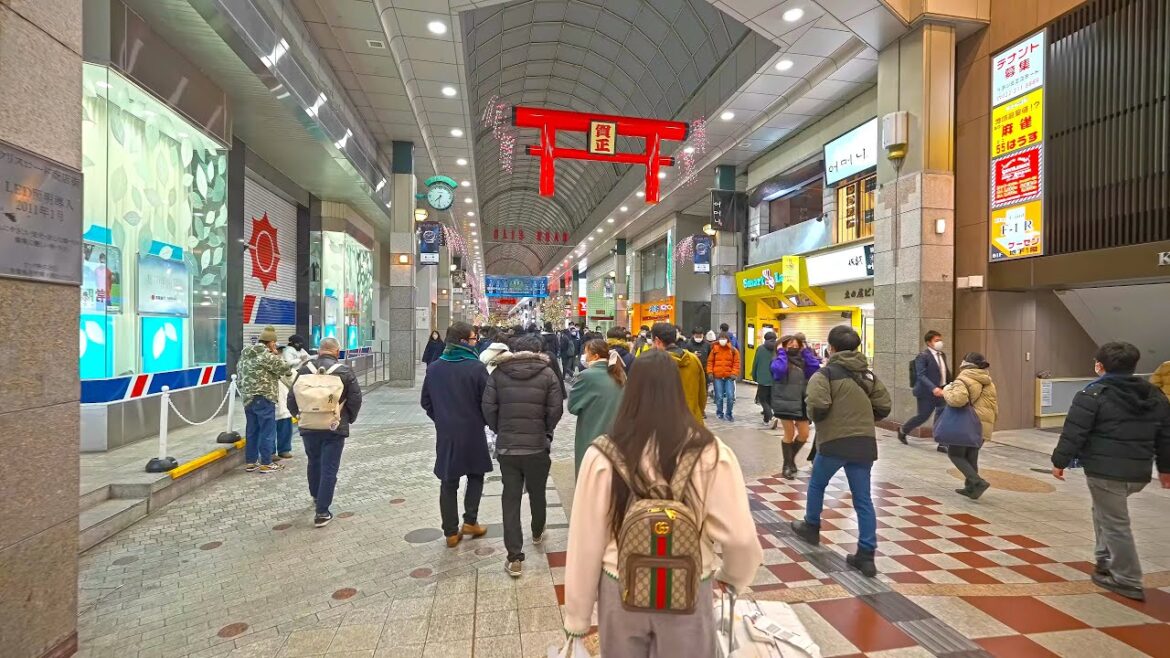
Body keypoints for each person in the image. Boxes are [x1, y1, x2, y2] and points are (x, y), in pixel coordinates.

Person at [563, 350, 762, 657]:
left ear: (629, 390)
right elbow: (740, 536)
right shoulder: (711, 452)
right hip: (691, 585)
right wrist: (734, 578)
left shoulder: (602, 454)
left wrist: (577, 617)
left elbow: (585, 540)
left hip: (621, 586)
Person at [1051, 341, 1170, 601]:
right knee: (1104, 512)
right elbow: (1165, 435)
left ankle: (1127, 579)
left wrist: (1060, 461)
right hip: (1138, 472)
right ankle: (1104, 559)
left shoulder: (1093, 394)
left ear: (1100, 365)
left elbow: (1075, 431)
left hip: (1105, 472)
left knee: (1116, 524)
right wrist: (1165, 469)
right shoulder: (1154, 394)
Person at [790, 326, 892, 578]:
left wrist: (823, 419)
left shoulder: (824, 375)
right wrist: (864, 418)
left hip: (834, 441)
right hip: (864, 443)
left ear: (831, 347)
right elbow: (884, 406)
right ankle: (866, 555)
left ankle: (811, 526)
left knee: (817, 484)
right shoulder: (868, 375)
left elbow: (817, 404)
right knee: (863, 499)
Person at [482, 334, 564, 577]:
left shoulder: (498, 373)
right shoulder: (547, 373)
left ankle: (514, 557)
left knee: (510, 498)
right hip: (537, 446)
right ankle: (537, 531)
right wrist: (545, 431)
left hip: (508, 447)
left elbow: (488, 407)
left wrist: (500, 428)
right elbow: (556, 409)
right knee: (538, 492)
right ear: (539, 350)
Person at [421, 322, 493, 548]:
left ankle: (451, 532)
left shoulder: (434, 368)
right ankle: (470, 521)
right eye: (473, 339)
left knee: (448, 481)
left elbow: (426, 402)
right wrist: (482, 420)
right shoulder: (476, 368)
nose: (476, 342)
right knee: (476, 475)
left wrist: (442, 419)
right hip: (472, 431)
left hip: (446, 434)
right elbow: (488, 402)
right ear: (463, 341)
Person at [286, 338, 362, 527]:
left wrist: (300, 416)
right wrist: (347, 419)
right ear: (337, 352)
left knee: (314, 461)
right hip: (333, 426)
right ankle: (322, 511)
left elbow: (291, 398)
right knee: (329, 467)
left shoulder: (304, 370)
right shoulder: (344, 371)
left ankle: (315, 495)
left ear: (319, 351)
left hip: (308, 425)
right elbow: (355, 398)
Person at [941, 352, 999, 499]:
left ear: (965, 363)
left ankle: (977, 482)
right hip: (983, 424)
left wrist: (946, 390)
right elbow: (993, 405)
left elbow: (957, 400)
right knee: (971, 455)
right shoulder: (988, 380)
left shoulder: (964, 379)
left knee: (954, 453)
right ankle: (971, 488)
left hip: (967, 424)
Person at [237, 325, 294, 473]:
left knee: (252, 429)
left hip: (247, 398)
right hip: (264, 396)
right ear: (271, 342)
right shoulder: (266, 355)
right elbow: (284, 368)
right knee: (267, 430)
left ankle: (251, 461)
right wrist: (275, 354)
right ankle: (266, 462)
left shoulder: (245, 355)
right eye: (274, 343)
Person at [569, 339, 626, 474]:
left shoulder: (586, 376)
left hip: (592, 430)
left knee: (590, 470)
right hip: (616, 432)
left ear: (595, 356)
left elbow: (573, 406)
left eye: (586, 353)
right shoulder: (619, 373)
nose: (584, 357)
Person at [771, 333, 821, 479]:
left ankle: (789, 460)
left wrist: (806, 351)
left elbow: (815, 369)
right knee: (789, 433)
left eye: (796, 344)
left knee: (804, 434)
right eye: (789, 344)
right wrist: (781, 352)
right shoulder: (778, 359)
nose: (793, 346)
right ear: (783, 345)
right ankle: (787, 466)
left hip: (801, 402)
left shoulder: (803, 359)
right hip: (784, 401)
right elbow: (779, 371)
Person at [900, 330, 951, 453]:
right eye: (936, 340)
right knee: (923, 416)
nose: (939, 342)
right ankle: (903, 431)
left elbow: (945, 372)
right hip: (926, 392)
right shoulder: (923, 356)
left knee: (942, 416)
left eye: (940, 340)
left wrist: (950, 384)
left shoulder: (942, 355)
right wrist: (933, 388)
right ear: (929, 342)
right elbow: (921, 375)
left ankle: (941, 443)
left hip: (942, 391)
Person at [649, 323, 708, 425]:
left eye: (652, 341)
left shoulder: (652, 362)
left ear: (657, 341)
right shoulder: (693, 359)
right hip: (692, 422)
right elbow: (702, 394)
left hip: (665, 425)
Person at [276, 335, 310, 460]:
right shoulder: (270, 365)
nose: (278, 352)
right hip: (271, 401)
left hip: (283, 401)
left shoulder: (284, 366)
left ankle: (284, 450)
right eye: (276, 350)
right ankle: (269, 453)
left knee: (284, 425)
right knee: (269, 429)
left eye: (279, 350)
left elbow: (293, 381)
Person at [707, 331, 741, 421]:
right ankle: (719, 413)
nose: (722, 340)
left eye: (724, 338)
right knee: (719, 396)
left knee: (730, 396)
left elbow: (736, 363)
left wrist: (734, 373)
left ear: (728, 340)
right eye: (721, 338)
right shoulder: (714, 349)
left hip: (729, 377)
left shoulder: (733, 350)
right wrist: (710, 372)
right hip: (717, 377)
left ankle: (729, 414)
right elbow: (710, 362)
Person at [751, 331, 778, 426]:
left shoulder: (760, 349)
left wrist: (754, 376)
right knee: (770, 399)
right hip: (774, 379)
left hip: (763, 379)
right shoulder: (777, 349)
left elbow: (755, 364)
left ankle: (770, 416)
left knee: (763, 400)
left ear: (765, 339)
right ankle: (766, 420)